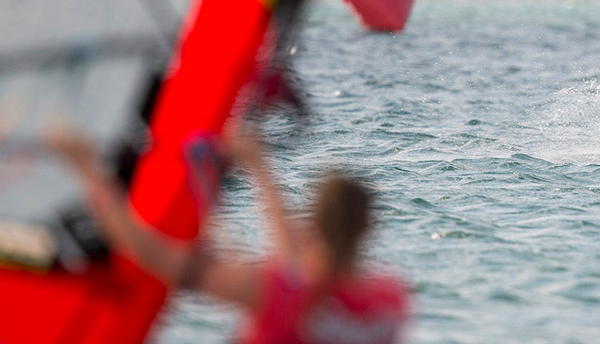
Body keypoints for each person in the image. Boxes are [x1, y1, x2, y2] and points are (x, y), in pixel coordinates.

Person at [51, 130, 408, 344]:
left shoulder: (276, 291)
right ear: (368, 228)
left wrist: (86, 168)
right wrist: (258, 168)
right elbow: (297, 275)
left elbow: (149, 253)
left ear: (313, 226)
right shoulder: (390, 303)